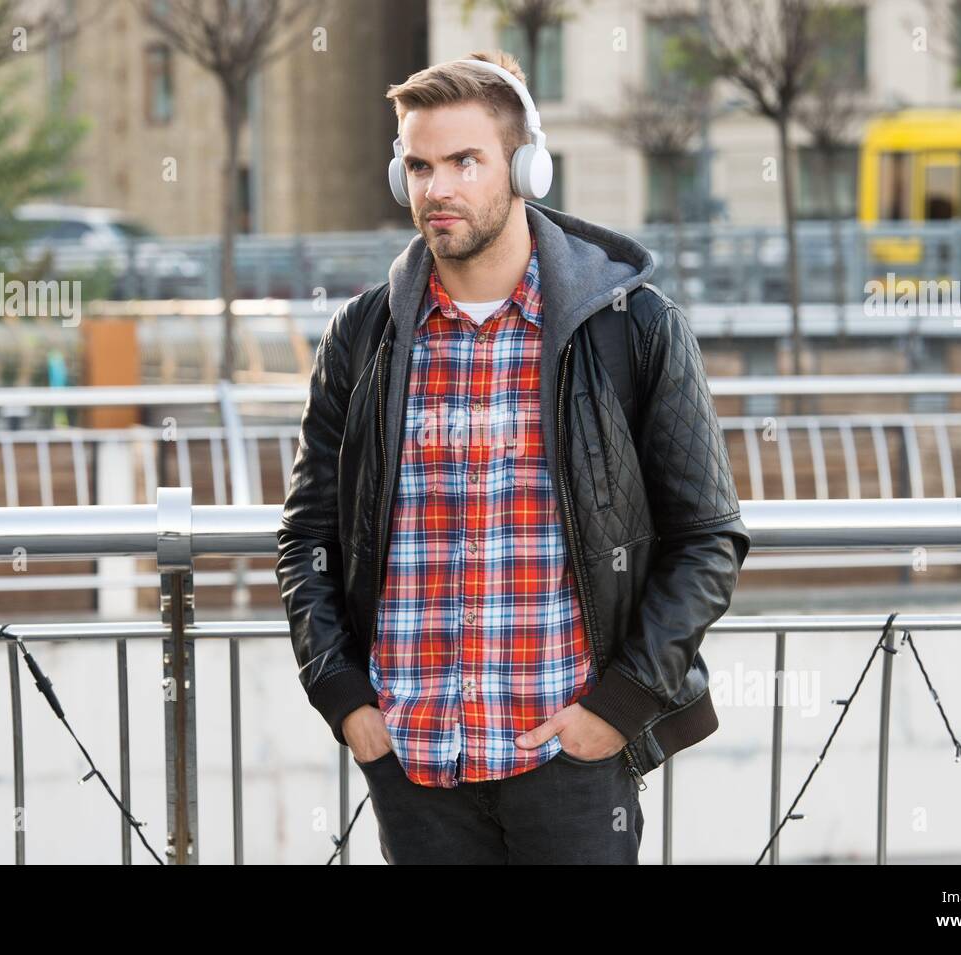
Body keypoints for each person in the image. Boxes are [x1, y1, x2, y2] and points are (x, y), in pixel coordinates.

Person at [274, 52, 750, 864]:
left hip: (569, 763)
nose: (438, 189)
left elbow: (707, 539)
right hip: (415, 766)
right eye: (418, 165)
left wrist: (621, 704)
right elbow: (306, 537)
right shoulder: (365, 337)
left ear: (527, 167)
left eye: (466, 161)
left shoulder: (630, 328)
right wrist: (345, 697)